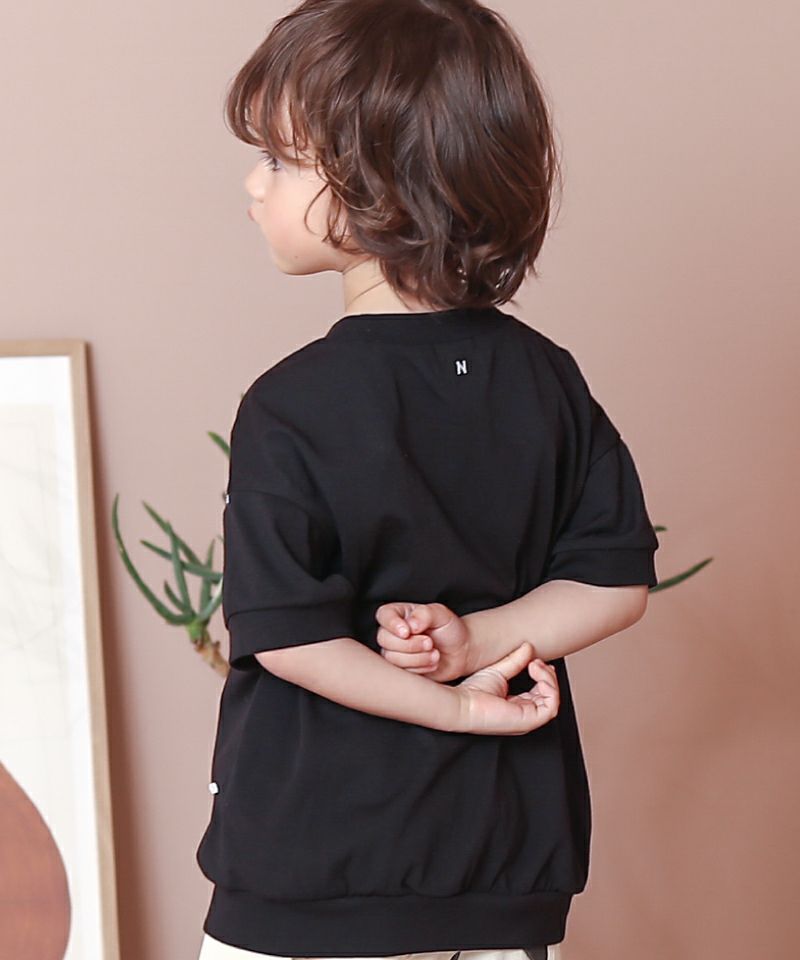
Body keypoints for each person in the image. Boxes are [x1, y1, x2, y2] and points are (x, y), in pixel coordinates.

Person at [195, 2, 660, 959]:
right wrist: (473, 644)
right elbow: (614, 580)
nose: (253, 182)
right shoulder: (546, 380)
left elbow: (289, 638)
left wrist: (455, 702)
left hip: (316, 871)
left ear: (381, 186)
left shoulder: (291, 404)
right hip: (503, 865)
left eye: (279, 159)